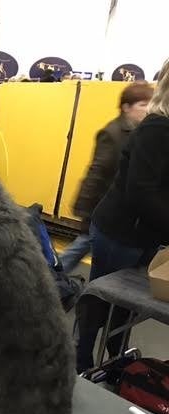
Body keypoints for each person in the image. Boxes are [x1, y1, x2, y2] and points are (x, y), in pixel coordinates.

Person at [75, 61, 169, 373]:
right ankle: (82, 358)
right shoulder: (157, 128)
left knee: (122, 309)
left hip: (142, 232)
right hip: (120, 231)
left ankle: (115, 360)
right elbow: (140, 192)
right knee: (102, 299)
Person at [61, 82, 154, 272]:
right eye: (142, 105)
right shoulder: (112, 133)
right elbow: (97, 171)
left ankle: (53, 276)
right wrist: (85, 208)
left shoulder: (139, 133)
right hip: (101, 206)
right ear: (126, 107)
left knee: (84, 247)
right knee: (82, 247)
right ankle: (51, 276)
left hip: (112, 210)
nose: (148, 109)